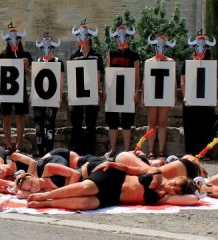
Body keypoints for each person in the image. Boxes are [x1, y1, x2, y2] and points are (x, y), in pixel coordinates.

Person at [26, 164, 200, 211]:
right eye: (175, 185)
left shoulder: (166, 197)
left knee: (88, 203)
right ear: (176, 178)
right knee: (87, 188)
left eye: (177, 190)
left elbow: (193, 199)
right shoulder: (156, 172)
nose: (173, 188)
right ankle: (46, 195)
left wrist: (203, 188)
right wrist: (111, 164)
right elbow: (130, 169)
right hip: (114, 179)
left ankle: (46, 204)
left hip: (114, 198)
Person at [105, 22, 140, 158]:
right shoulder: (111, 54)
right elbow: (108, 73)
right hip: (113, 91)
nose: (122, 39)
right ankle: (113, 150)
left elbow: (137, 74)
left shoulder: (134, 55)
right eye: (119, 36)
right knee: (112, 121)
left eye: (124, 36)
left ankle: (126, 151)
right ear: (115, 38)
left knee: (127, 121)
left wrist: (137, 91)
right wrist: (105, 91)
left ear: (128, 38)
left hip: (128, 91)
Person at [69, 19, 104, 155]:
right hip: (78, 94)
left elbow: (99, 75)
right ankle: (75, 150)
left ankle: (90, 151)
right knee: (76, 123)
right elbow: (72, 76)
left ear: (89, 37)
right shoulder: (74, 56)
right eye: (80, 36)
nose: (83, 38)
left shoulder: (97, 55)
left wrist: (98, 93)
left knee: (91, 124)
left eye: (85, 35)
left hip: (91, 93)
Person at [0, 22, 33, 153]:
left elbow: (32, 75)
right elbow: (0, 73)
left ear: (20, 39)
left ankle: (18, 145)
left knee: (20, 116)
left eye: (16, 37)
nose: (14, 40)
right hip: (6, 89)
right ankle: (8, 145)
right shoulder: (3, 54)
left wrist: (26, 67)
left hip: (20, 88)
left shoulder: (26, 54)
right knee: (6, 117)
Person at [182, 31, 217, 157]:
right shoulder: (187, 63)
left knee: (206, 127)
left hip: (206, 100)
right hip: (191, 100)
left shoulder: (212, 65)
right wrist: (186, 96)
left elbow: (214, 81)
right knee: (191, 126)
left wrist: (214, 98)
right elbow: (183, 80)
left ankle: (205, 153)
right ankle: (191, 153)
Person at [144, 34, 176, 161]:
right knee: (151, 122)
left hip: (165, 94)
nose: (160, 47)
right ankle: (151, 151)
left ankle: (162, 152)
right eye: (158, 45)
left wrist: (173, 95)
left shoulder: (170, 62)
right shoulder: (149, 62)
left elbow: (173, 80)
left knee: (162, 122)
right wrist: (143, 96)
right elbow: (145, 80)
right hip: (152, 94)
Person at [32, 33, 65, 157]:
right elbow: (35, 80)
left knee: (50, 124)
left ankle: (49, 150)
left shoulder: (58, 62)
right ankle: (40, 149)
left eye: (49, 46)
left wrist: (60, 96)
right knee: (38, 125)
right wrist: (31, 96)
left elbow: (61, 81)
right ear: (41, 48)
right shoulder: (38, 62)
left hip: (52, 97)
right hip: (39, 98)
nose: (47, 49)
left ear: (53, 48)